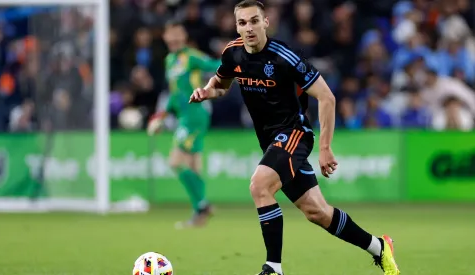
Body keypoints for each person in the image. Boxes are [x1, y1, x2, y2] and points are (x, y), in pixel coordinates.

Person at [188, 1, 401, 274]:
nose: (249, 28)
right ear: (236, 26)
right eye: (242, 23)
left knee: (259, 186)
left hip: (294, 134)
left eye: (254, 21)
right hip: (271, 142)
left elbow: (327, 97)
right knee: (318, 212)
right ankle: (379, 247)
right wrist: (207, 91)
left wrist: (325, 147)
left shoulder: (285, 57)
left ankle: (273, 267)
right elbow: (221, 84)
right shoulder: (233, 53)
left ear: (266, 22)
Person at [147, 21, 221, 228]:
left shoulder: (192, 56)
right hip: (183, 117)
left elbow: (216, 66)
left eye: (178, 34)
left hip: (195, 115)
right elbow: (173, 93)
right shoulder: (170, 60)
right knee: (194, 166)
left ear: (184, 36)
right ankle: (200, 214)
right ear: (165, 37)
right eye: (170, 34)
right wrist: (161, 115)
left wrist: (235, 66)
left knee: (175, 162)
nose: (174, 38)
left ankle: (202, 205)